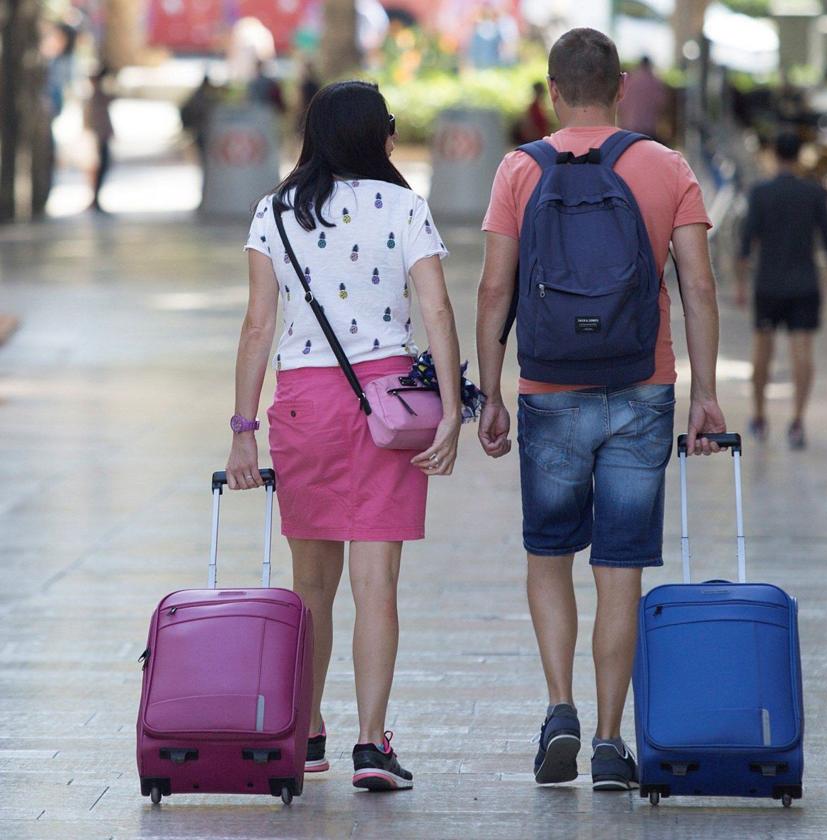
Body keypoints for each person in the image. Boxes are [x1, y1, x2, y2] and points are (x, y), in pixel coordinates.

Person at [475, 28, 725, 792]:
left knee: (548, 556)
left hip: (549, 389)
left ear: (551, 91)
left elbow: (494, 290)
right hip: (640, 387)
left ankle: (561, 709)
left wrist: (491, 392)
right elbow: (699, 287)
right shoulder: (665, 166)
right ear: (620, 85)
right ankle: (612, 742)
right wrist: (705, 393)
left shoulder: (519, 169)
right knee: (620, 568)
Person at [228, 80, 463, 790]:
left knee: (311, 588)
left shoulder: (273, 213)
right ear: (373, 135)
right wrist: (452, 408)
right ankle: (370, 744)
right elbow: (437, 309)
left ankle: (306, 733)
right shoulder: (406, 207)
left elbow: (258, 327)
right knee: (377, 586)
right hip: (387, 409)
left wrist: (243, 429)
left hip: (304, 403)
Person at [736, 130, 827, 450]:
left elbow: (745, 242)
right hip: (805, 282)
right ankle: (797, 420)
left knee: (762, 353)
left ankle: (759, 415)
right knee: (802, 353)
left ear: (773, 154)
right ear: (799, 156)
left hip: (768, 283)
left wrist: (740, 283)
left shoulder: (760, 193)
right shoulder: (814, 193)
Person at [85, 66, 115, 214]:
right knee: (98, 168)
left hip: (101, 137)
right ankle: (94, 199)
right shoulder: (95, 98)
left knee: (103, 168)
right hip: (98, 139)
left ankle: (96, 199)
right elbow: (92, 122)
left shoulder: (98, 96)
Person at [618, 56, 668, 142]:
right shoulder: (655, 82)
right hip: (648, 129)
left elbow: (620, 104)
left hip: (628, 127)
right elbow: (661, 104)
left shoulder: (629, 80)